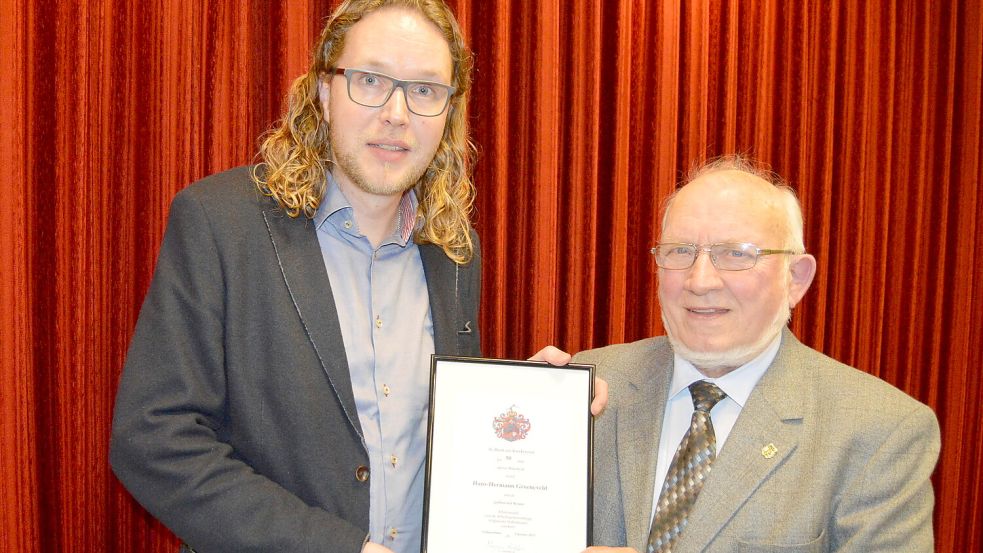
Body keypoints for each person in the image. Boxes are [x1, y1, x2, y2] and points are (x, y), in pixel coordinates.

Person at [110, 2, 480, 552]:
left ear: (448, 112)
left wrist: (529, 399)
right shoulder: (221, 222)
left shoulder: (454, 252)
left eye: (426, 90)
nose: (398, 113)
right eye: (371, 80)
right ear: (325, 93)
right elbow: (154, 439)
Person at [578, 156, 940, 553]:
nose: (700, 281)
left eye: (736, 254)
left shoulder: (880, 432)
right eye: (680, 251)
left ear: (796, 278)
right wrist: (520, 403)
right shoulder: (589, 386)